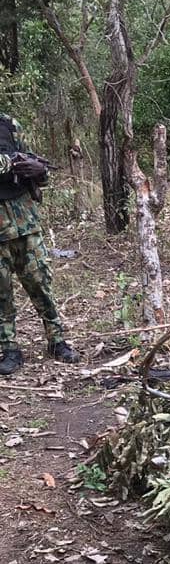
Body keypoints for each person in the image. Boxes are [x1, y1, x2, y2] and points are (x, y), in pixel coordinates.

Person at [0, 112, 79, 375]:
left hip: (25, 222)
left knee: (41, 283)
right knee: (1, 293)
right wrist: (10, 163)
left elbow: (32, 162)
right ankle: (10, 349)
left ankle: (57, 341)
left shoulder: (9, 124)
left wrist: (40, 171)